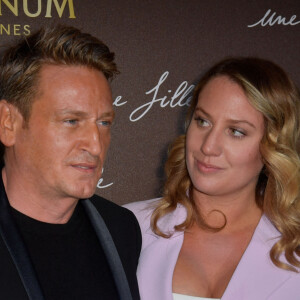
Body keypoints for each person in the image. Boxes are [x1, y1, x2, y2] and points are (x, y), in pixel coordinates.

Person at [125, 57, 300, 300]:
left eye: (236, 132)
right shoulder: (127, 227)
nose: (208, 146)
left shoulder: (295, 253)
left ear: (272, 146)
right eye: (203, 121)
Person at [0, 25, 141, 300]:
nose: (95, 144)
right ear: (9, 123)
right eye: (71, 121)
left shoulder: (121, 228)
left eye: (104, 122)